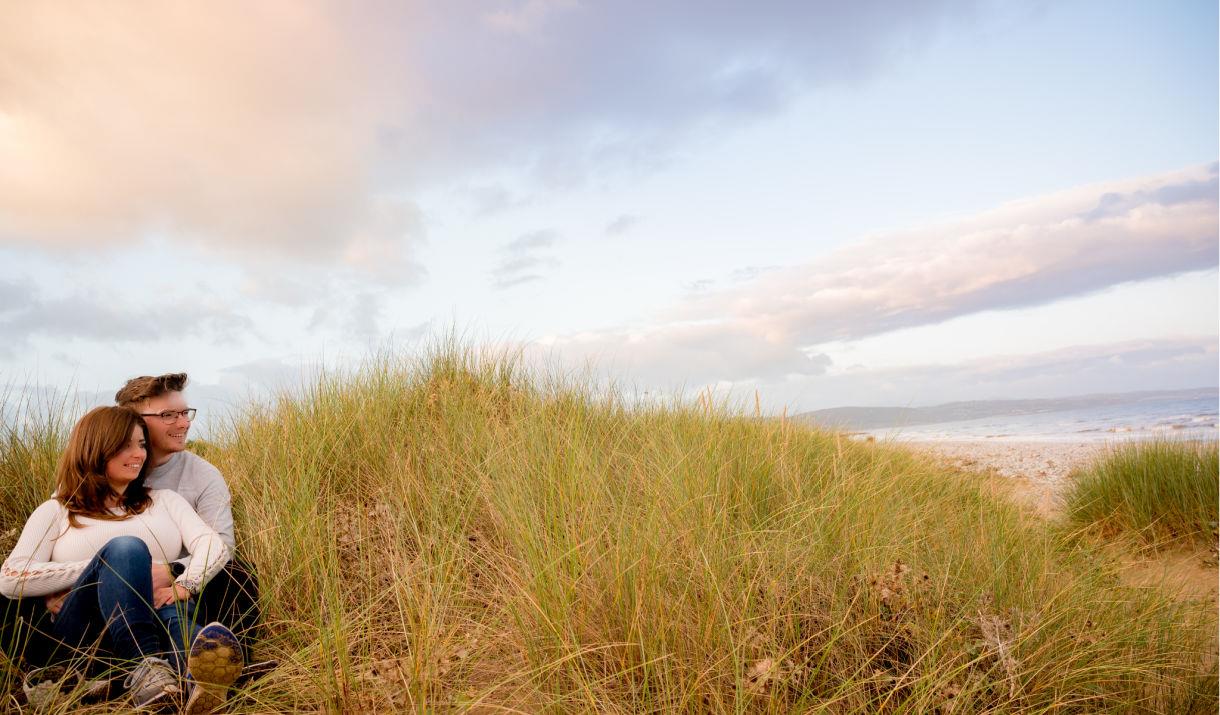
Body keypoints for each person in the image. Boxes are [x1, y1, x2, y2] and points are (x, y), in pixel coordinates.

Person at [0, 406, 244, 710]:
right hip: (86, 634)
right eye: (125, 444)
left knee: (173, 611)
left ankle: (196, 681)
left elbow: (213, 545)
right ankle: (148, 668)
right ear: (95, 447)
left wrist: (187, 583)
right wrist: (105, 571)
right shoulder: (57, 510)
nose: (139, 454)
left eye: (141, 444)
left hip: (162, 611)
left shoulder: (165, 501)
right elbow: (11, 578)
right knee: (127, 549)